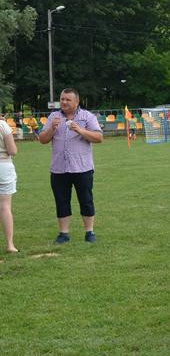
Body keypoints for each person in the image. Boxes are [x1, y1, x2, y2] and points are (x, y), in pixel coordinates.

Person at [38, 88, 103, 243]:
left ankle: (89, 232)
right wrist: (52, 128)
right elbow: (42, 139)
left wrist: (80, 130)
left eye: (68, 99)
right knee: (61, 201)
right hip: (59, 168)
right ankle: (63, 233)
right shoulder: (53, 117)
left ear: (76, 101)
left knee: (86, 200)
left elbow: (99, 137)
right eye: (62, 99)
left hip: (82, 168)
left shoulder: (87, 116)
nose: (64, 102)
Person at [0, 117, 19, 253]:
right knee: (5, 207)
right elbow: (12, 151)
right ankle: (10, 244)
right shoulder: (2, 125)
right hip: (3, 167)